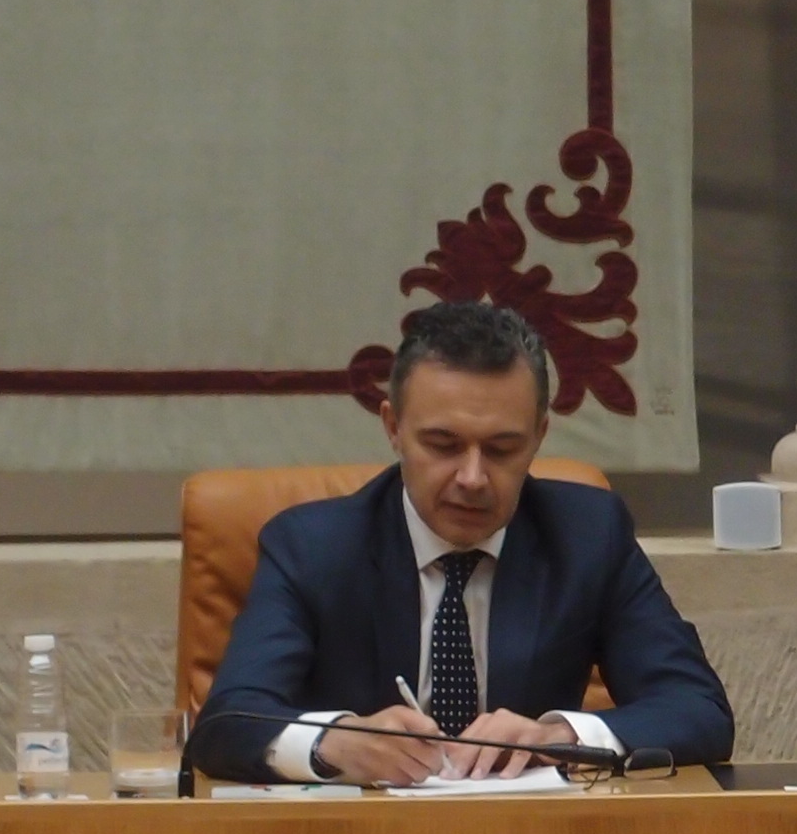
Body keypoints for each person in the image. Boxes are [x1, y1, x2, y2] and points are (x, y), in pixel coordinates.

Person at [187, 300, 736, 783]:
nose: (472, 478)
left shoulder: (588, 536)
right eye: (443, 444)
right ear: (394, 427)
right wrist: (335, 742)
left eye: (501, 449)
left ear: (539, 437)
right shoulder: (313, 546)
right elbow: (225, 724)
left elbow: (699, 710)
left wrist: (563, 736)